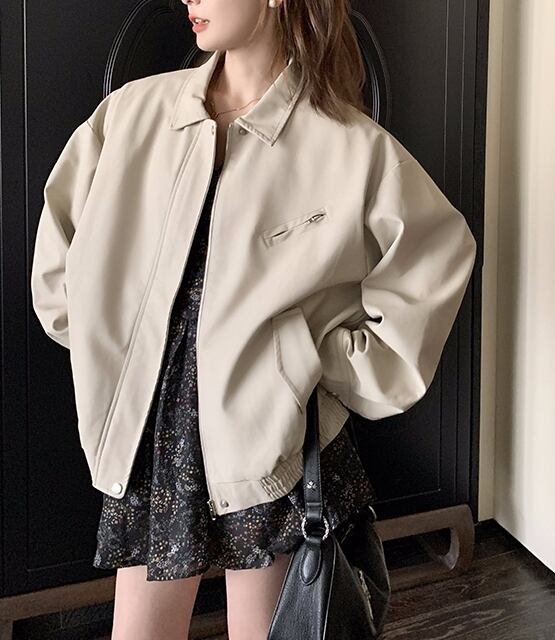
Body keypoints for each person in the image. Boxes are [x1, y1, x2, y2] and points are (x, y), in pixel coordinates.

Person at [30, 0, 477, 638]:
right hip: (154, 433)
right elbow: (59, 250)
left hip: (270, 433)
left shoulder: (348, 145)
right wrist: (111, 343)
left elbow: (434, 258)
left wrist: (311, 359)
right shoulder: (132, 114)